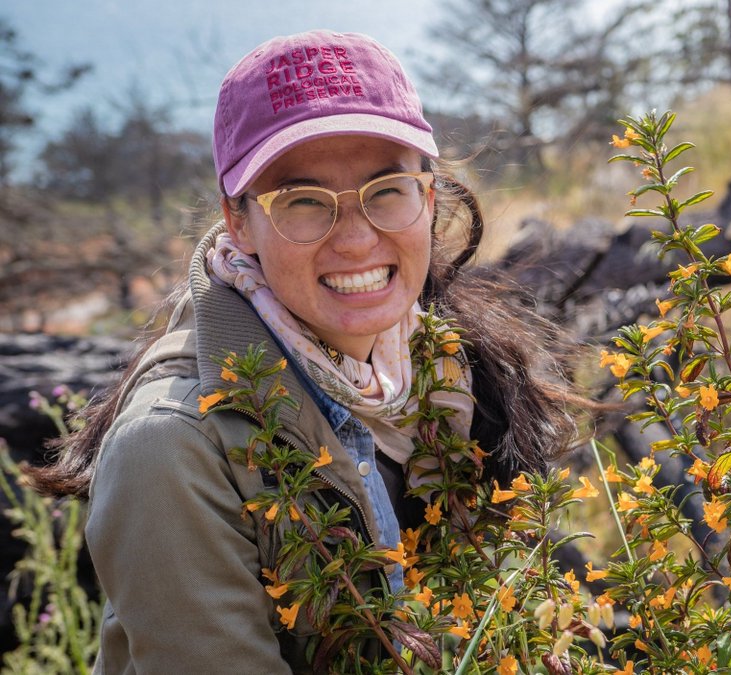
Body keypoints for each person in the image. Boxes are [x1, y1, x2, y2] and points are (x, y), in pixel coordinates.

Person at [28, 29, 582, 672]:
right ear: (239, 222)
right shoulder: (170, 448)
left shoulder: (449, 367)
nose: (355, 240)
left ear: (427, 199)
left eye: (386, 190)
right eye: (302, 202)